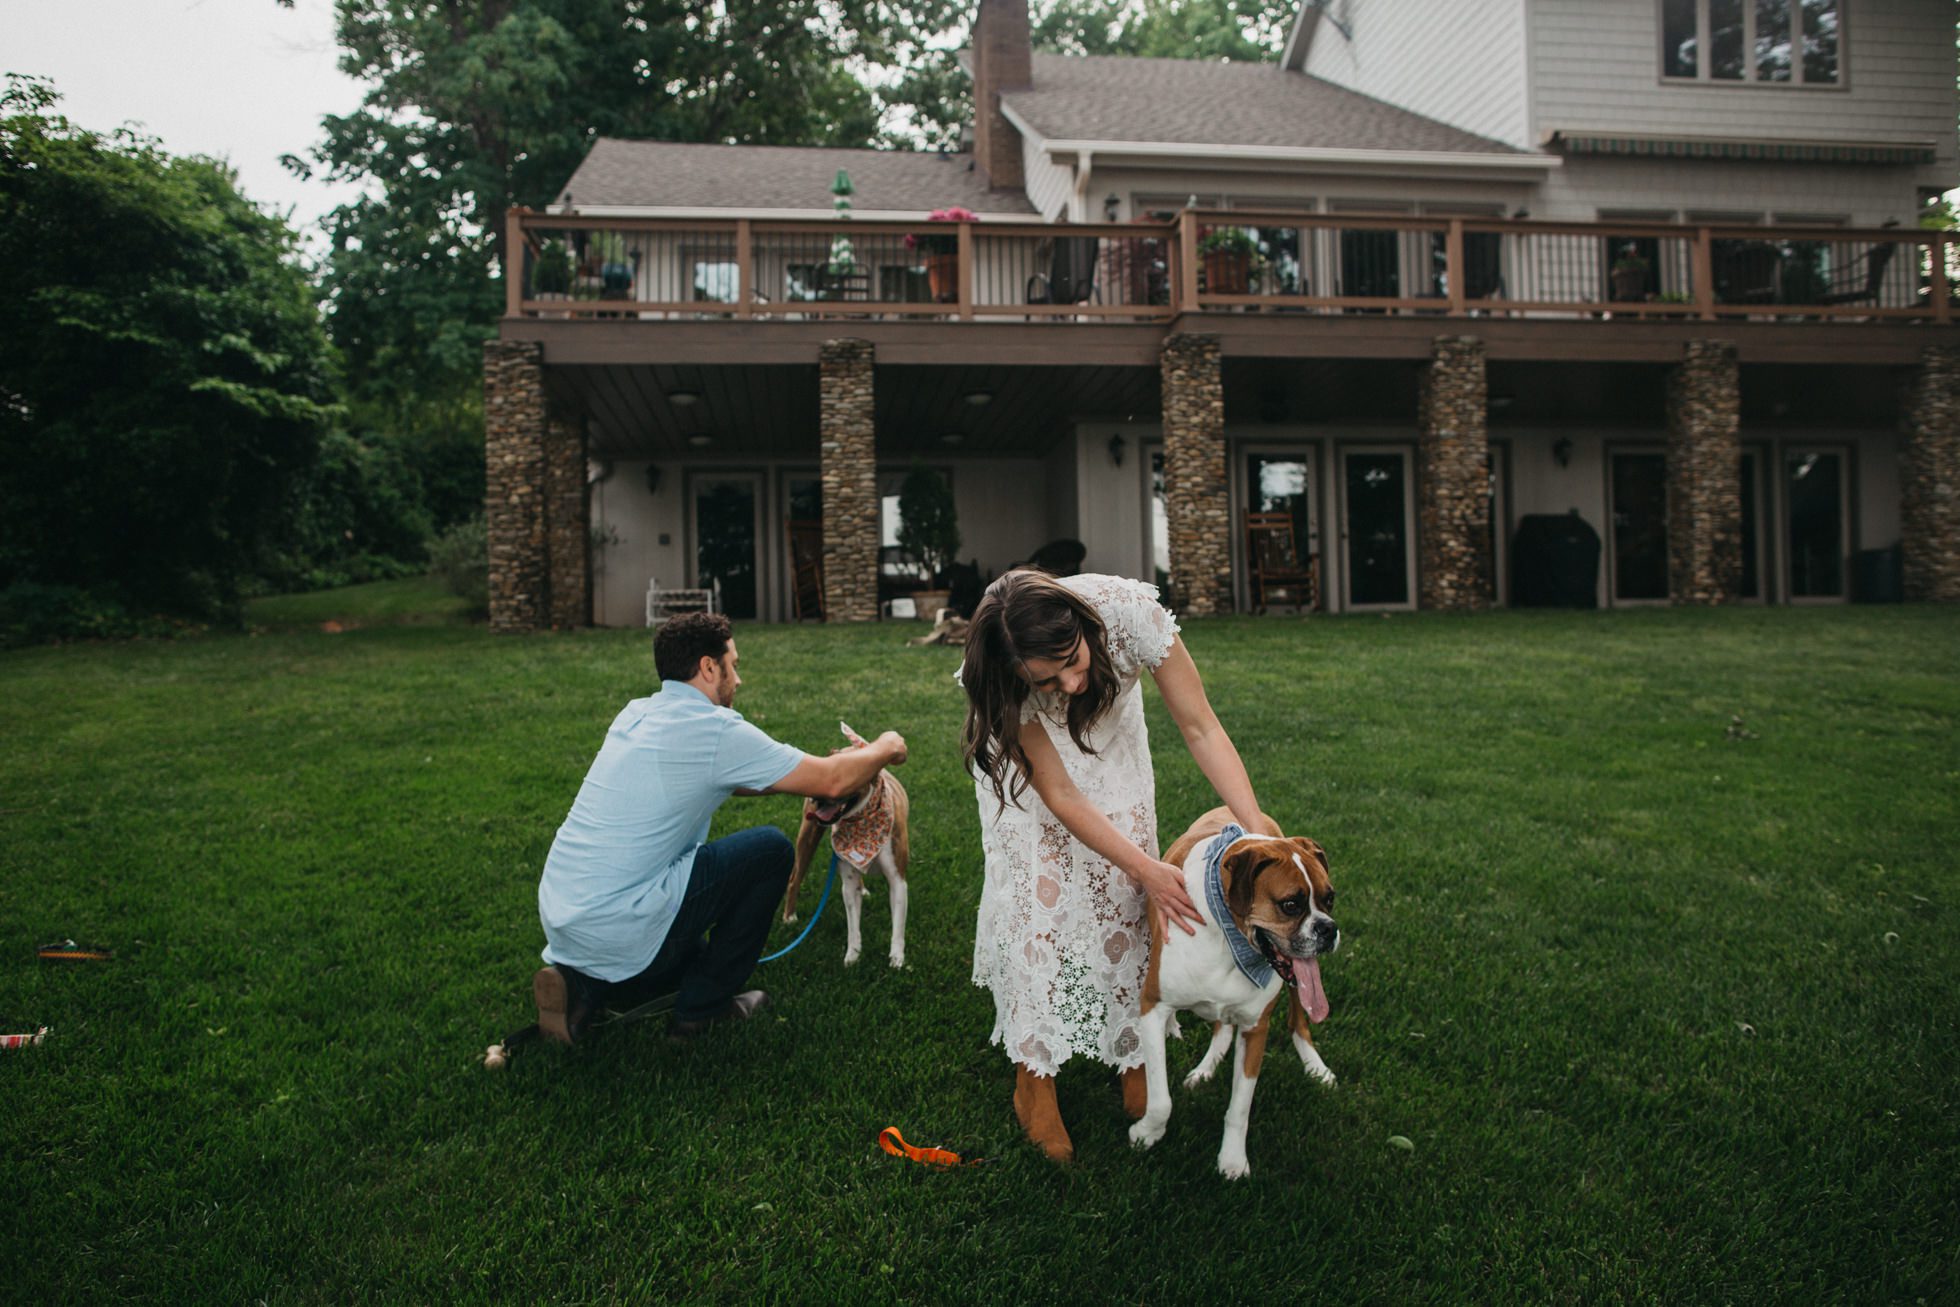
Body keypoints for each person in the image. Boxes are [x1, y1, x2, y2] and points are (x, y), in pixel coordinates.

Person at [960, 569, 1267, 1161]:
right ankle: (1034, 1077)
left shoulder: (1130, 613)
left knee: (1125, 903)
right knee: (1039, 912)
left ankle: (1132, 1054)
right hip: (1034, 786)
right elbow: (1061, 795)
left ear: (1080, 624)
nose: (1073, 683)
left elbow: (1201, 726)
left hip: (1114, 749)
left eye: (1074, 660)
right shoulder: (1005, 674)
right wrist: (1150, 868)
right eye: (1048, 679)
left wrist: (1253, 826)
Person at [534, 611, 907, 1044]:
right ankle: (702, 1007)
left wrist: (787, 780)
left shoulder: (636, 714)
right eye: (735, 664)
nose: (739, 678)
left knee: (682, 932)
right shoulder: (713, 730)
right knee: (769, 850)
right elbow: (832, 780)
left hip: (564, 912)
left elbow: (735, 777)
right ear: (710, 667)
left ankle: (583, 988)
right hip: (621, 922)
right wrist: (886, 745)